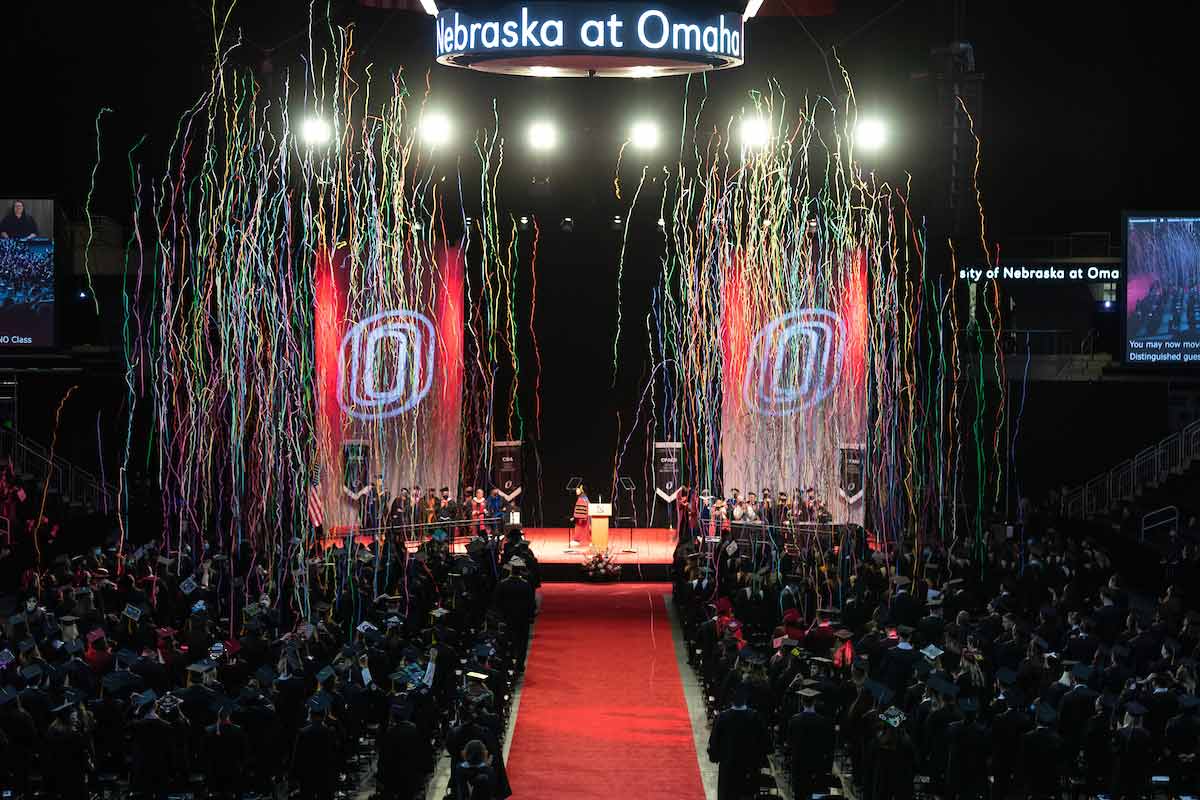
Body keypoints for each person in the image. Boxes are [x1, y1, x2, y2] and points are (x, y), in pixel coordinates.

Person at [707, 686, 769, 800]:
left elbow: (714, 743)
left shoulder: (722, 718)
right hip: (749, 769)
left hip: (728, 769)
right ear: (746, 700)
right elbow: (765, 745)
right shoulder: (755, 717)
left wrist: (715, 756)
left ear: (731, 701)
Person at [787, 688, 834, 800]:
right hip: (817, 766)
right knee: (816, 795)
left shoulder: (794, 721)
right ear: (815, 702)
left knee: (799, 795)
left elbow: (790, 744)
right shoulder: (823, 722)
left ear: (802, 702)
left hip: (799, 766)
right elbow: (829, 747)